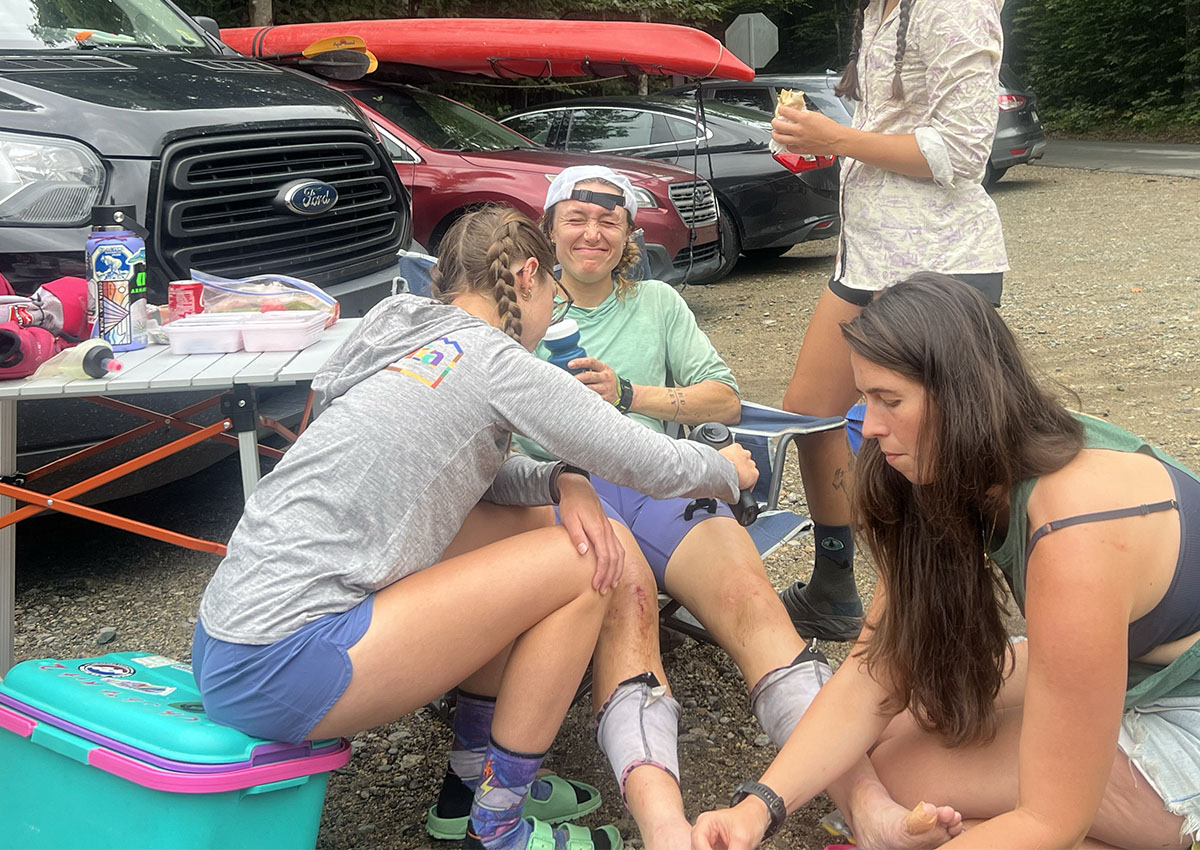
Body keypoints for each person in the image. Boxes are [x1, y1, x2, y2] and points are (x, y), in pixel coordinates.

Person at [190, 206, 758, 850]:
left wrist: (557, 479)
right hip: (283, 666)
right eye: (553, 292)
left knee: (533, 525)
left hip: (226, 643)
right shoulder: (496, 361)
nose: (554, 313)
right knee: (584, 561)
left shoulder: (400, 332)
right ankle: (499, 825)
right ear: (525, 277)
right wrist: (726, 469)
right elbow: (640, 459)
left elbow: (463, 472)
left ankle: (468, 781)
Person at [692, 274, 1200, 850]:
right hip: (1134, 667)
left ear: (964, 396)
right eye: (864, 398)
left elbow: (1050, 818)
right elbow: (873, 671)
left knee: (919, 778)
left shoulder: (1075, 530)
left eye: (889, 400)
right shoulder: (954, 462)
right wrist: (758, 807)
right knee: (889, 744)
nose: (870, 427)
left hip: (1185, 713)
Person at [460, 165, 825, 850]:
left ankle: (868, 798)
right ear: (549, 229)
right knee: (628, 610)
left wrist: (629, 396)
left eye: (609, 221)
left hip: (661, 480)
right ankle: (666, 831)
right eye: (576, 218)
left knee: (752, 598)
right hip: (563, 493)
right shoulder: (521, 304)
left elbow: (724, 400)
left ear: (629, 233)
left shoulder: (656, 302)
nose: (592, 233)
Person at [769, 0, 1010, 643]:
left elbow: (964, 151)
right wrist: (824, 146)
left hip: (940, 262)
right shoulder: (881, 10)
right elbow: (895, 133)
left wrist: (837, 138)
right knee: (808, 412)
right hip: (869, 257)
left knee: (937, 448)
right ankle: (835, 585)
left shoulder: (951, 7)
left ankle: (955, 610)